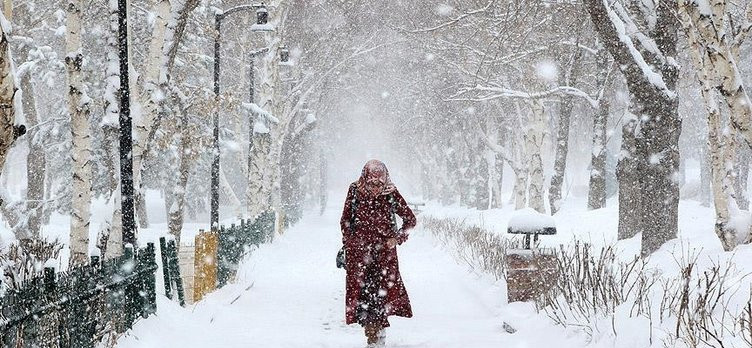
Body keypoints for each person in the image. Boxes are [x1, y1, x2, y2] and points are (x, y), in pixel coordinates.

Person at [340, 160, 417, 347]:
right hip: (359, 256)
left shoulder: (390, 193)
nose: (375, 188)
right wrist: (350, 243)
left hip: (384, 257)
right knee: (363, 298)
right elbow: (345, 220)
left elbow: (410, 220)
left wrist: (396, 239)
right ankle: (373, 335)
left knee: (381, 297)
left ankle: (376, 337)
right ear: (365, 179)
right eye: (371, 183)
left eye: (379, 184)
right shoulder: (355, 191)